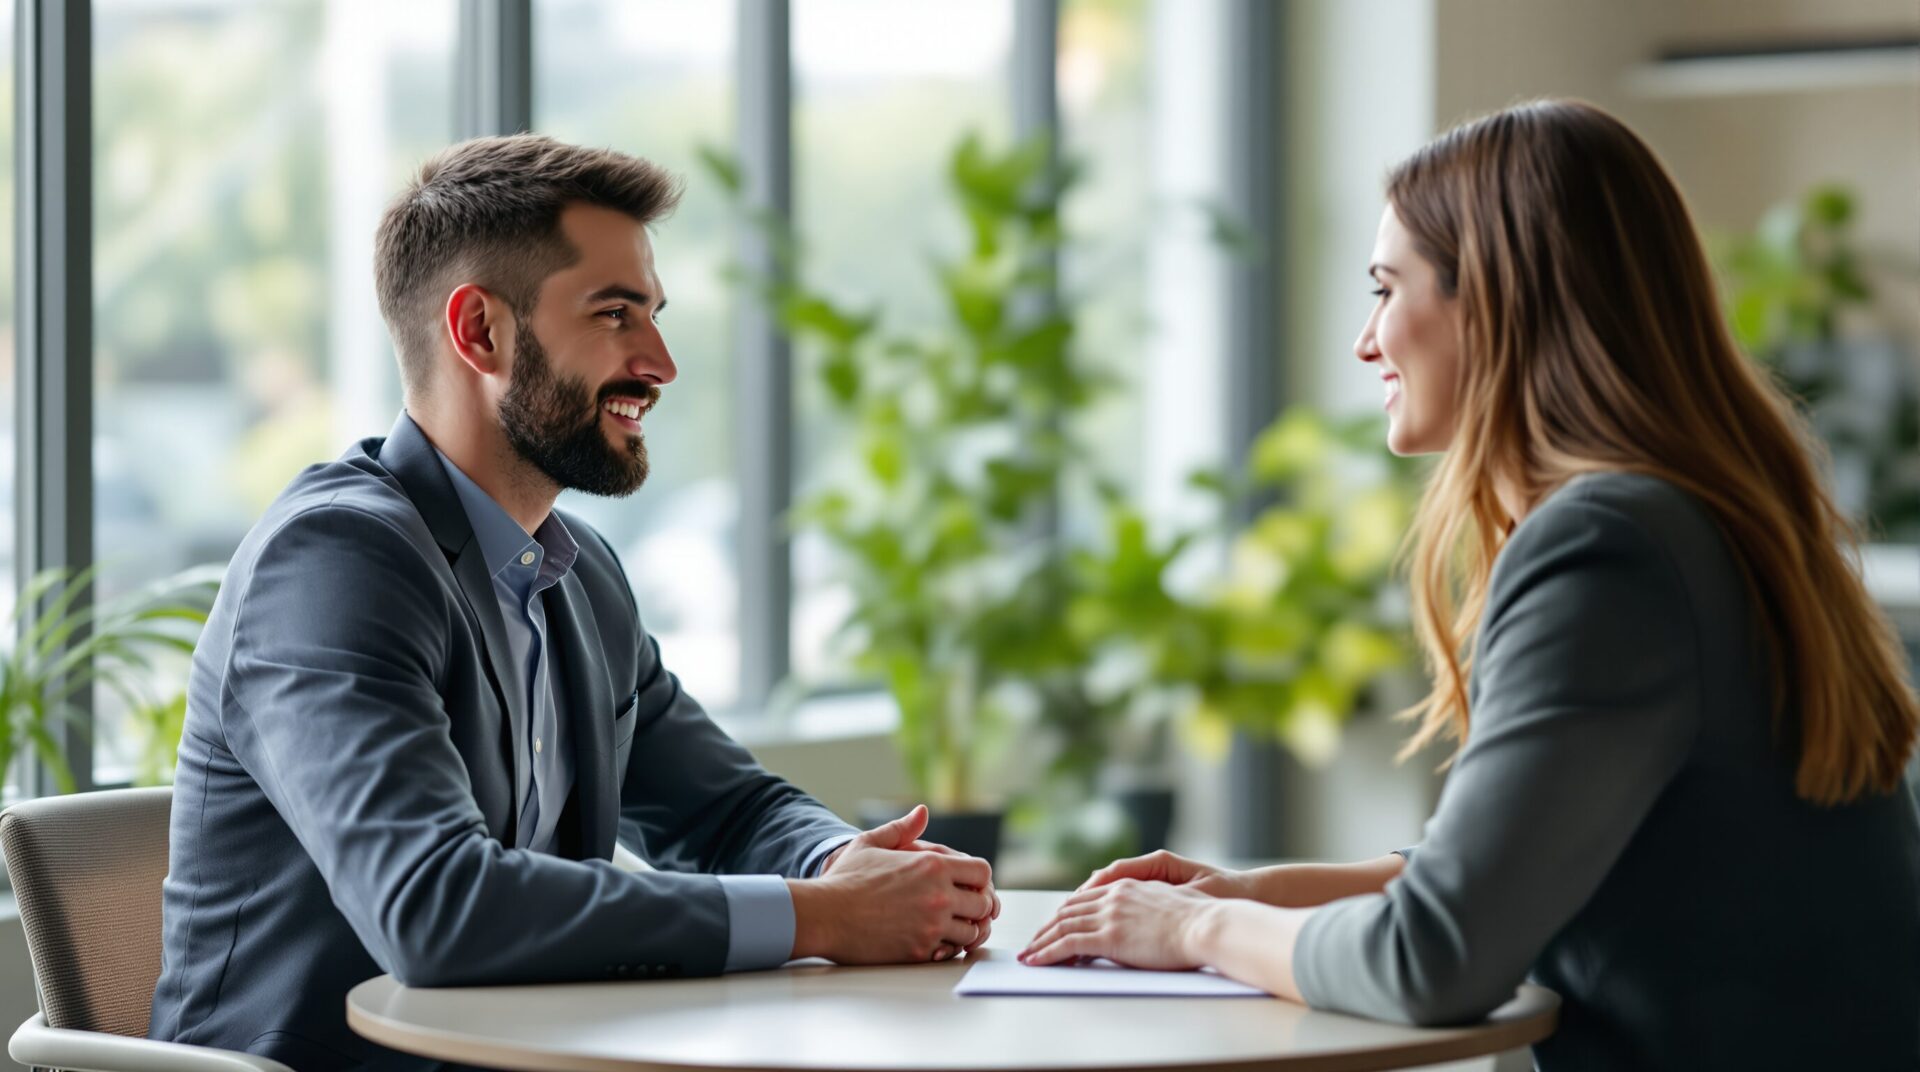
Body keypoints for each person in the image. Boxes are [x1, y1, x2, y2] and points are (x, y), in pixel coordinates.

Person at [1022, 99, 1920, 1071]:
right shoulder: (1703, 517)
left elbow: (1432, 956)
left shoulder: (1604, 546)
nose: (1367, 342)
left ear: (1490, 299)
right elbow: (1523, 867)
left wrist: (1190, 931)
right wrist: (1246, 893)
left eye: (1385, 288)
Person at [150, 134, 999, 1071]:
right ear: (480, 332)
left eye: (656, 315)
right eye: (616, 314)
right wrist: (820, 916)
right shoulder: (336, 561)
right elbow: (436, 909)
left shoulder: (576, 574)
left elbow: (723, 811)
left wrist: (841, 867)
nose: (662, 363)